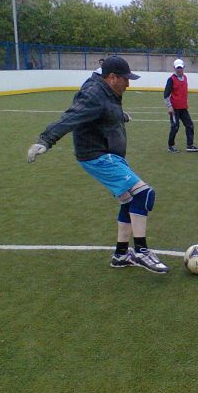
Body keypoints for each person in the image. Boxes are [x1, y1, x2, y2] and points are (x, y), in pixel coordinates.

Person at [26, 56, 170, 274]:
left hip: (108, 153)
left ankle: (121, 255)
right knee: (144, 194)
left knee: (129, 200)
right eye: (125, 79)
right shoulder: (94, 93)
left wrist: (119, 116)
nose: (128, 84)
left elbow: (104, 111)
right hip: (97, 154)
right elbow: (72, 116)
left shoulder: (107, 90)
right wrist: (45, 140)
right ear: (112, 77)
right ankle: (141, 251)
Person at [163, 58, 198, 153]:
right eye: (177, 68)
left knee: (190, 125)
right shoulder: (171, 79)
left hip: (183, 108)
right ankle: (171, 146)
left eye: (180, 67)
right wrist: (169, 106)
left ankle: (190, 145)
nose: (179, 69)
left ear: (183, 67)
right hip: (174, 108)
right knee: (175, 127)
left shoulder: (185, 78)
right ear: (174, 68)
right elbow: (166, 94)